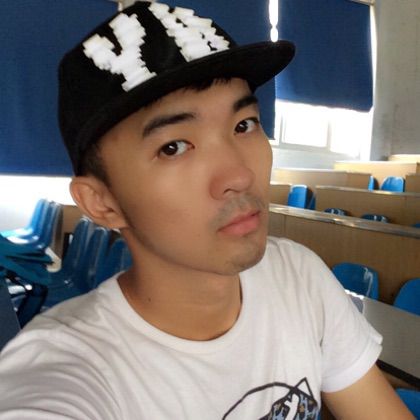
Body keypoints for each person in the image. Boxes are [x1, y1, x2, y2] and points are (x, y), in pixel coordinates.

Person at [0, 1, 413, 419]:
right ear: (102, 202)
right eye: (174, 147)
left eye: (244, 125)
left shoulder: (299, 278)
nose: (239, 175)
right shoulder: (70, 371)